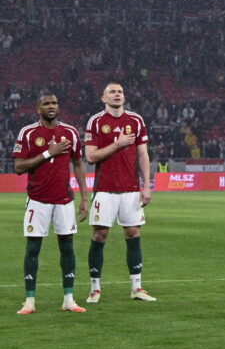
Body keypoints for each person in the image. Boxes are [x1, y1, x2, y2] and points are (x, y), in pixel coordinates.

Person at [12, 93, 89, 314]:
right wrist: (48, 152)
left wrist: (84, 198)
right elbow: (18, 167)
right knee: (33, 249)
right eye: (46, 104)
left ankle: (68, 299)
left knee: (67, 248)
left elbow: (78, 164)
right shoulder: (28, 133)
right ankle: (29, 301)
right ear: (38, 109)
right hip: (38, 200)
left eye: (54, 103)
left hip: (64, 200)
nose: (51, 106)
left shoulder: (70, 132)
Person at [84, 82, 155, 303]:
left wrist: (146, 186)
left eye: (121, 92)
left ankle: (137, 288)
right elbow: (91, 157)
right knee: (99, 235)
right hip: (104, 189)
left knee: (133, 233)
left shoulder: (136, 120)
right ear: (103, 98)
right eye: (112, 92)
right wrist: (118, 144)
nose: (118, 94)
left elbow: (143, 155)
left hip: (131, 189)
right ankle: (95, 289)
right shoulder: (96, 122)